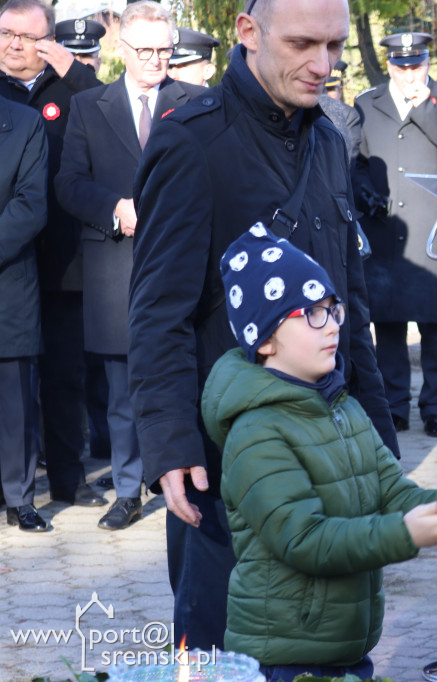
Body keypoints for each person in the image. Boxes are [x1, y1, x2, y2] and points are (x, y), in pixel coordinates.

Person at [129, 0, 397, 651]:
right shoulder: (190, 141)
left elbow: (351, 308)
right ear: (248, 32)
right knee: (229, 651)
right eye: (304, 43)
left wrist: (379, 437)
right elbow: (158, 313)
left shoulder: (332, 142)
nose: (324, 64)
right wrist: (170, 443)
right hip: (228, 466)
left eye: (334, 46)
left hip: (329, 454)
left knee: (328, 648)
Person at [202, 226, 437, 680]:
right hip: (286, 657)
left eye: (333, 310)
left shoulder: (343, 407)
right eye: (311, 314)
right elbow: (304, 540)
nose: (331, 325)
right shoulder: (256, 432)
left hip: (345, 648)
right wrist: (405, 534)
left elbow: (396, 495)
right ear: (265, 340)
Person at [55, 1, 206, 531]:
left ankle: (187, 474)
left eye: (165, 51)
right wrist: (115, 210)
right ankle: (128, 489)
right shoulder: (90, 106)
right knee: (122, 388)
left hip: (184, 265)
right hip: (116, 263)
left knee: (185, 377)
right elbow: (69, 183)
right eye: (145, 51)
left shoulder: (198, 103)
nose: (156, 61)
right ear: (122, 51)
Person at [0, 0, 106, 512]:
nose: (15, 45)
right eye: (6, 33)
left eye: (29, 37)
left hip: (64, 255)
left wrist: (75, 71)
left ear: (50, 41)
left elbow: (116, 123)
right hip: (7, 258)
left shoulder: (72, 85)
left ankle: (68, 477)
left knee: (66, 374)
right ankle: (10, 486)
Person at [354, 31, 437, 438]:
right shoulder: (367, 103)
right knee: (388, 328)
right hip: (387, 232)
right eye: (402, 67)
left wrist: (424, 107)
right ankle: (394, 405)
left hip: (434, 233)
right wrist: (362, 191)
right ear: (389, 65)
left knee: (436, 328)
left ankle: (436, 407)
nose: (410, 75)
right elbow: (356, 160)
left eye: (417, 66)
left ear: (428, 62)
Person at [0, 96, 47, 531]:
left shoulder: (24, 123)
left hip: (7, 280)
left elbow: (31, 203)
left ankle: (19, 496)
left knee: (15, 400)